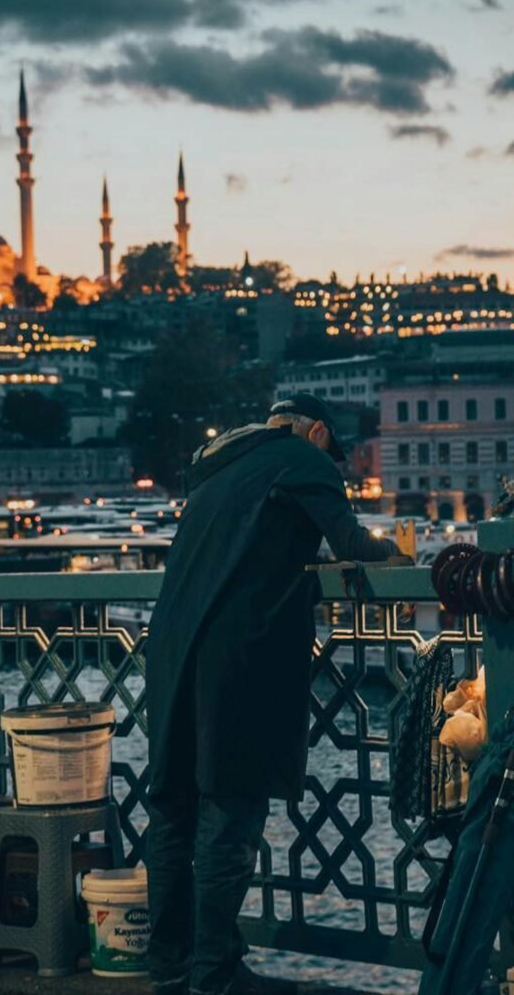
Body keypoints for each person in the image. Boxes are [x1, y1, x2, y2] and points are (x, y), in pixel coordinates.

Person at [146, 395, 404, 995]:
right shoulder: (300, 458)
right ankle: (214, 974)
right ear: (315, 432)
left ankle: (168, 970)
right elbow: (350, 543)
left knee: (173, 807)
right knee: (228, 809)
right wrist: (398, 552)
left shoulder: (219, 467)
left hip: (170, 646)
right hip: (235, 657)